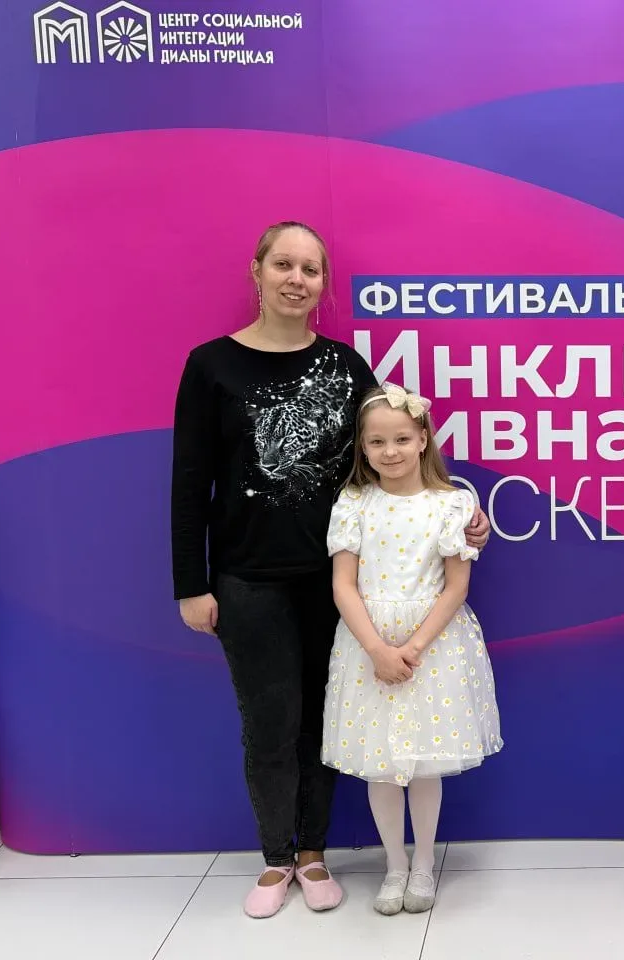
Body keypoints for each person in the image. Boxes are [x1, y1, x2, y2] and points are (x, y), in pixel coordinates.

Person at [170, 221, 491, 919]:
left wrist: (463, 516)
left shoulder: (346, 366)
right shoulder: (211, 365)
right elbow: (190, 482)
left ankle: (313, 852)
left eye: (310, 269)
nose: (296, 279)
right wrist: (191, 583)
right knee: (269, 721)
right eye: (283, 264)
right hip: (247, 576)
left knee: (326, 720)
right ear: (257, 270)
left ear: (322, 284)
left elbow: (394, 455)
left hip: (340, 584)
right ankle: (275, 857)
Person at [323, 382, 502, 916]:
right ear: (363, 448)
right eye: (377, 442)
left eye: (402, 439)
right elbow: (343, 585)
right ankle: (394, 865)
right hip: (367, 643)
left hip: (434, 646)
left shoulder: (453, 504)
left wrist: (413, 647)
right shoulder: (354, 503)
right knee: (381, 764)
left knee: (424, 763)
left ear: (423, 438)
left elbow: (456, 587)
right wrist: (378, 649)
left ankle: (423, 861)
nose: (390, 452)